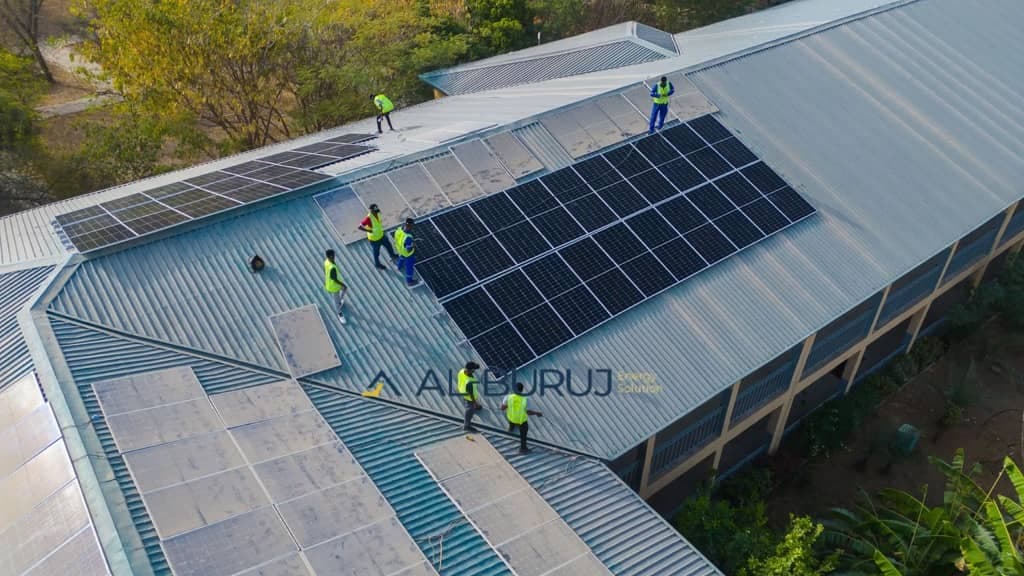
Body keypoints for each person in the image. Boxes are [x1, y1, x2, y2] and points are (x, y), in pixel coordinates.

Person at [501, 382, 542, 454]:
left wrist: (509, 405)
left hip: (511, 418)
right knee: (523, 434)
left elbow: (502, 408)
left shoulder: (508, 397)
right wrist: (537, 413)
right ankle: (523, 449)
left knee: (512, 421)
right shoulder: (525, 399)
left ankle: (511, 428)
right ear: (522, 390)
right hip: (521, 421)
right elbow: (528, 412)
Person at [358, 204, 396, 270]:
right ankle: (377, 264)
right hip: (374, 239)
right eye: (374, 210)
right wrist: (369, 231)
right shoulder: (368, 218)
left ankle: (392, 255)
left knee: (388, 245)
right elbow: (360, 227)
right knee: (376, 252)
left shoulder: (377, 213)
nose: (376, 211)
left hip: (381, 235)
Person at [323, 249, 348, 325]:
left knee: (344, 290)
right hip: (334, 286)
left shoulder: (326, 261)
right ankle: (339, 314)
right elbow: (334, 279)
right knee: (336, 301)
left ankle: (339, 302)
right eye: (334, 255)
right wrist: (342, 284)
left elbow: (324, 270)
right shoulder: (332, 267)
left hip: (331, 283)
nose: (335, 256)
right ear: (331, 256)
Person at [393, 218, 420, 287]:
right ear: (410, 226)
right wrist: (413, 245)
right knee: (409, 267)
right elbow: (408, 250)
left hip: (399, 249)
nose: (412, 227)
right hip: (407, 254)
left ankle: (399, 267)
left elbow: (397, 238)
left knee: (401, 257)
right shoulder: (408, 237)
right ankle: (409, 282)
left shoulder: (399, 229)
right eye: (412, 226)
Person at [457, 362, 482, 432]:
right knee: (470, 408)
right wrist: (475, 403)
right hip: (469, 396)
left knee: (473, 405)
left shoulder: (462, 371)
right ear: (470, 370)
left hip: (462, 389)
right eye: (474, 369)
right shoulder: (469, 382)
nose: (474, 371)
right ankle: (466, 425)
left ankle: (476, 406)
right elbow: (471, 396)